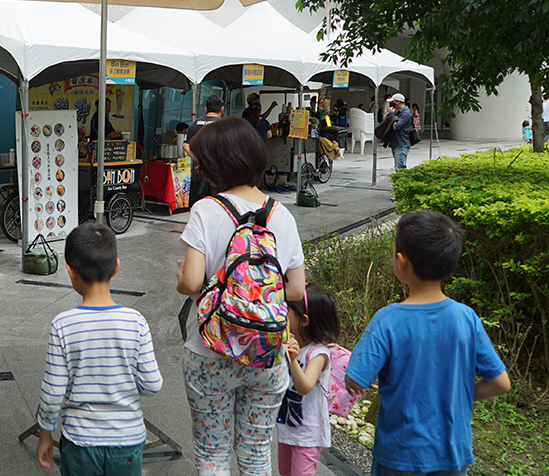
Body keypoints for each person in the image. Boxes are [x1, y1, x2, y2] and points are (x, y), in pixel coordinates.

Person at [175, 117, 306, 475]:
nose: (199, 168)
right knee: (255, 452)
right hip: (267, 350)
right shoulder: (282, 215)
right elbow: (295, 289)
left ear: (218, 164)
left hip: (210, 348)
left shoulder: (205, 210)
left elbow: (190, 283)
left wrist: (183, 278)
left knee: (213, 453)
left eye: (202, 162)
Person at [345, 211, 511, 475]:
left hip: (399, 454)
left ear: (401, 262)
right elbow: (501, 383)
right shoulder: (466, 318)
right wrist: (461, 393)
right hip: (452, 453)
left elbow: (356, 380)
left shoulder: (388, 320)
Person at [36, 223, 163, 475]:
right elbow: (153, 384)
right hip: (128, 441)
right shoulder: (136, 322)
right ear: (116, 266)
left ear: (71, 272)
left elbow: (52, 394)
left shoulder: (63, 325)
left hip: (80, 442)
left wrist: (45, 434)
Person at [277, 284, 340, 476]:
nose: (282, 313)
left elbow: (304, 386)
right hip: (286, 427)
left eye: (287, 309)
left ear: (304, 320)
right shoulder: (288, 343)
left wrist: (293, 359)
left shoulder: (318, 353)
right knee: (284, 472)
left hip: (308, 435)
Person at [183, 94, 224, 208]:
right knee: (218, 209)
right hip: (219, 177)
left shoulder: (194, 124)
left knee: (197, 208)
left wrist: (200, 161)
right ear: (222, 109)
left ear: (206, 109)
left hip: (198, 175)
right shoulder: (226, 126)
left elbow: (185, 146)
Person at [388, 93, 412, 170]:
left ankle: (402, 181)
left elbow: (396, 126)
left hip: (401, 143)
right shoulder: (400, 112)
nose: (392, 104)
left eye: (393, 102)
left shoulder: (405, 113)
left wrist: (391, 114)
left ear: (398, 102)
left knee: (400, 168)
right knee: (398, 167)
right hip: (397, 142)